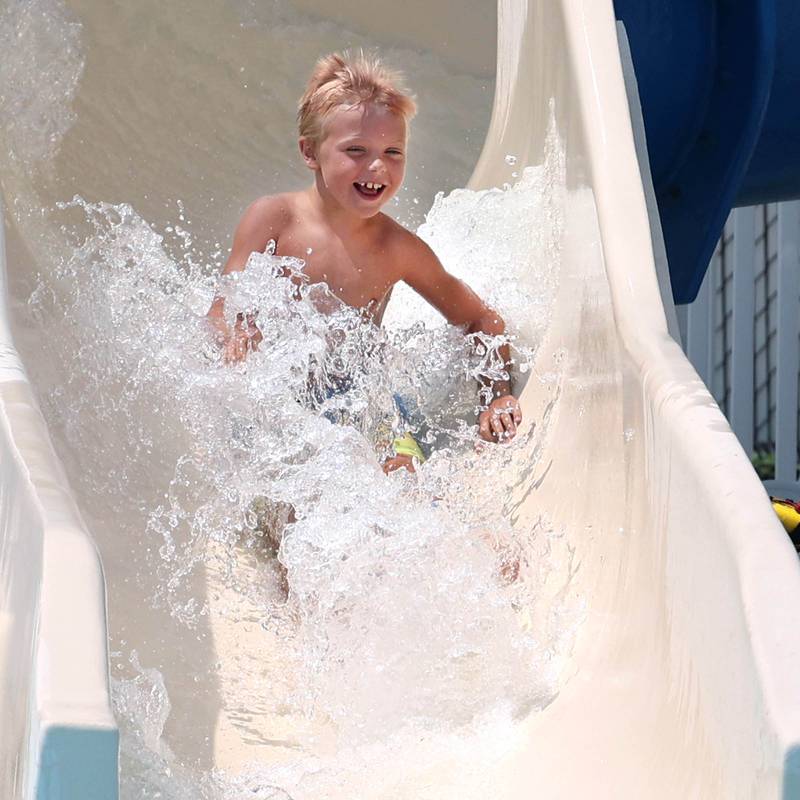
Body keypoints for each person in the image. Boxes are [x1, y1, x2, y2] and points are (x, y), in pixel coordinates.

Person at [207, 50, 522, 473]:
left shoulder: (396, 249)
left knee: (402, 478)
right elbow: (220, 310)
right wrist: (235, 337)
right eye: (356, 149)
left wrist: (496, 394)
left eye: (393, 152)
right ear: (310, 151)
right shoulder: (273, 220)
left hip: (363, 398)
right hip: (276, 400)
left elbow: (480, 319)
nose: (377, 166)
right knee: (286, 498)